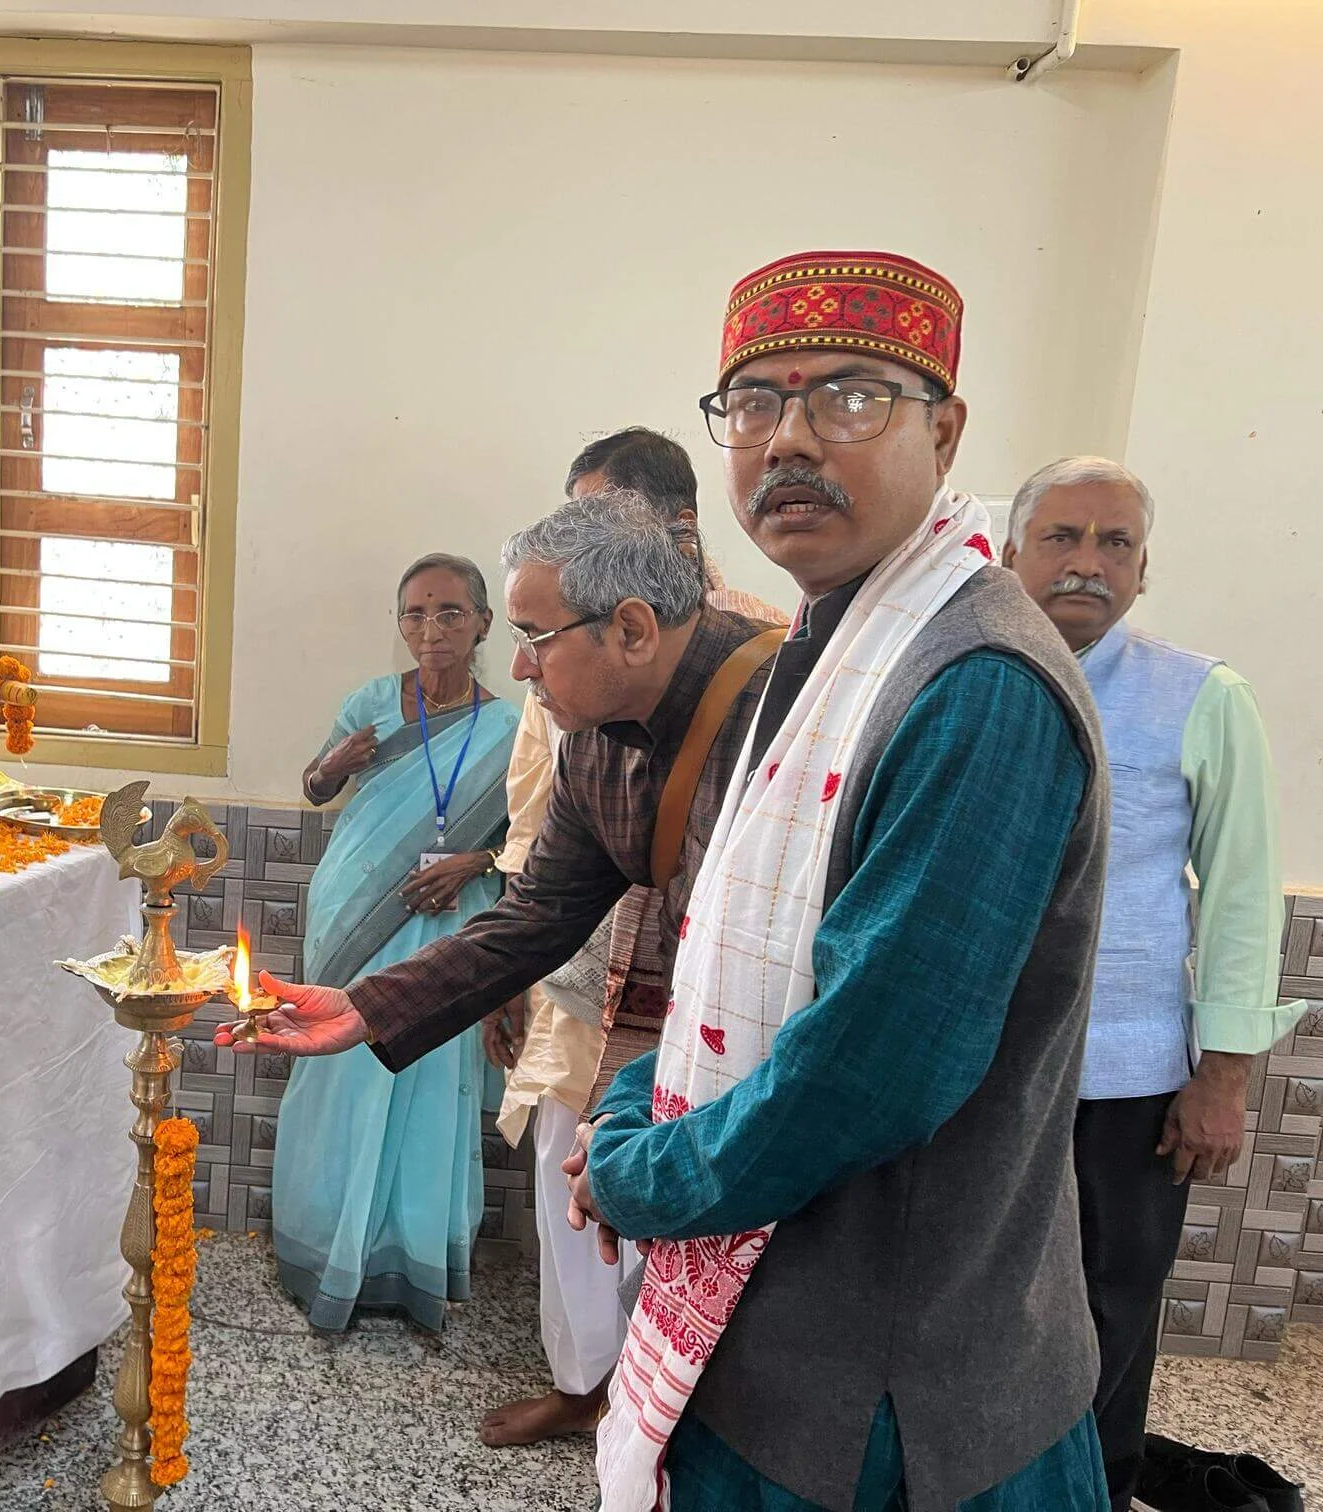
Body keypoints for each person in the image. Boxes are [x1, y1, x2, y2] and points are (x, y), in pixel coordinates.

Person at [561, 249, 1112, 1509]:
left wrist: (639, 1171)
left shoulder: (976, 682)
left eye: (852, 396)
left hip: (887, 1394)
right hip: (781, 1346)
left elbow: (873, 1069)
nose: (791, 439)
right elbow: (738, 971)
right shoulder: (830, 641)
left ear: (945, 431)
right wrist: (637, 1100)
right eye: (755, 402)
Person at [235, 485, 781, 1331]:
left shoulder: (783, 708)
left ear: (632, 629)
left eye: (535, 638)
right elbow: (536, 915)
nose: (520, 668)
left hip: (785, 1077)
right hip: (693, 1060)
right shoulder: (594, 741)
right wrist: (365, 1007)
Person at [1004, 455, 1304, 1512]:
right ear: (1011, 552)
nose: (1087, 563)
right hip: (978, 1071)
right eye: (1063, 537)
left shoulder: (1200, 696)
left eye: (1115, 543)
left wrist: (1222, 1077)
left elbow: (1240, 898)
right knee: (973, 1305)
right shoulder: (966, 678)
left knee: (1110, 1309)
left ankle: (1092, 1489)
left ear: (1144, 568)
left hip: (1127, 1078)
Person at [482, 435, 787, 1450]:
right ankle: (588, 1386)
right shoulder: (571, 680)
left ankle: (672, 1404)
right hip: (584, 964)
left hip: (723, 1005)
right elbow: (540, 848)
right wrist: (386, 1005)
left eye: (604, 518)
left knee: (687, 1183)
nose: (521, 665)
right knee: (572, 1169)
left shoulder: (772, 665)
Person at [270, 553, 521, 1332]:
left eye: (450, 612)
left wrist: (473, 863)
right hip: (353, 909)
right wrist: (331, 764)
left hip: (450, 922)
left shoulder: (513, 727)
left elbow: (530, 839)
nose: (431, 629)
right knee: (338, 1071)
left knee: (428, 1077)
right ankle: (322, 1249)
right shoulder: (372, 703)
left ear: (482, 623)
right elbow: (315, 788)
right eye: (415, 613)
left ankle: (407, 1261)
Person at [565, 425, 788, 625]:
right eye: (580, 525)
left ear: (683, 526)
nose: (582, 546)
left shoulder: (760, 637)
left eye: (605, 521)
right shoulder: (582, 629)